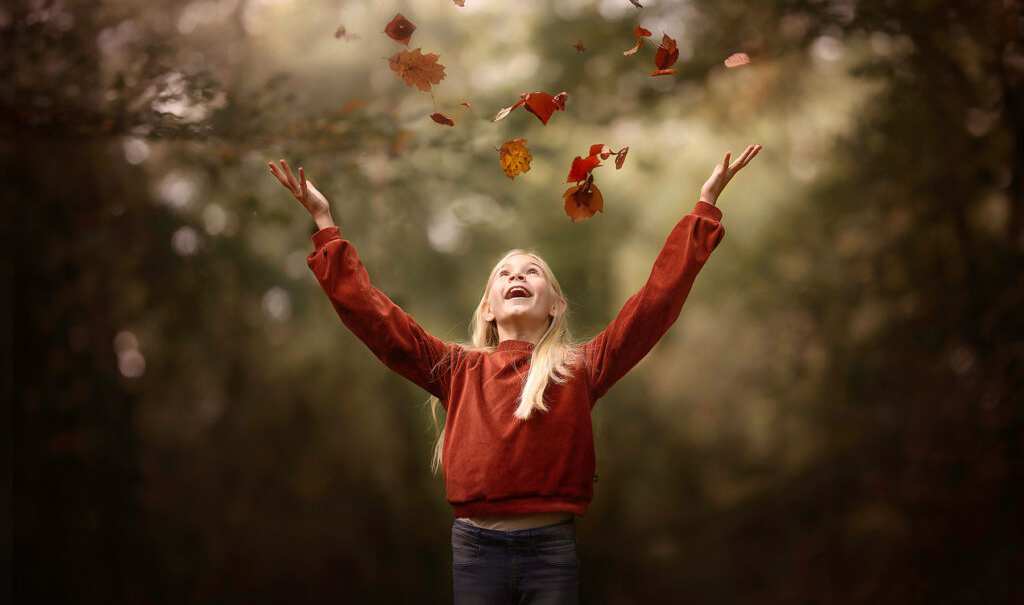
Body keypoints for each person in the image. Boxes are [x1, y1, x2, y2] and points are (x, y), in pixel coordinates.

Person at [269, 144, 761, 605]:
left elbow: (655, 302)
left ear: (555, 305)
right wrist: (324, 221)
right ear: (487, 307)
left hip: (551, 551)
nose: (517, 277)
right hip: (477, 550)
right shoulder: (456, 370)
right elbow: (375, 317)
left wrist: (704, 207)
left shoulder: (581, 368)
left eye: (531, 272)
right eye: (504, 274)